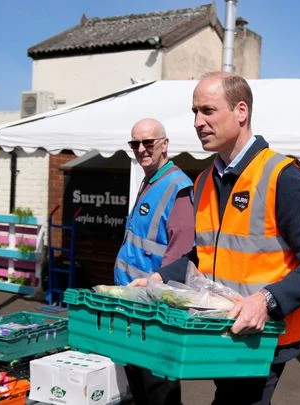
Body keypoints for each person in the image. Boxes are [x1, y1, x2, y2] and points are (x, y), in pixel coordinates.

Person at [131, 72, 300, 405]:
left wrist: (266, 300)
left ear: (241, 111)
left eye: (208, 111)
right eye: (194, 112)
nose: (198, 122)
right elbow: (202, 255)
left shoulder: (282, 177)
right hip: (220, 334)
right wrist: (158, 278)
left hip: (264, 338)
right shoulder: (203, 182)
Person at [114, 118, 195, 405]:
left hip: (154, 312)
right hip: (133, 305)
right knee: (138, 389)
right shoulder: (150, 180)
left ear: (165, 144)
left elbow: (182, 255)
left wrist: (154, 293)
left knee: (158, 391)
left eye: (148, 142)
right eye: (134, 143)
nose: (141, 149)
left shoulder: (177, 186)